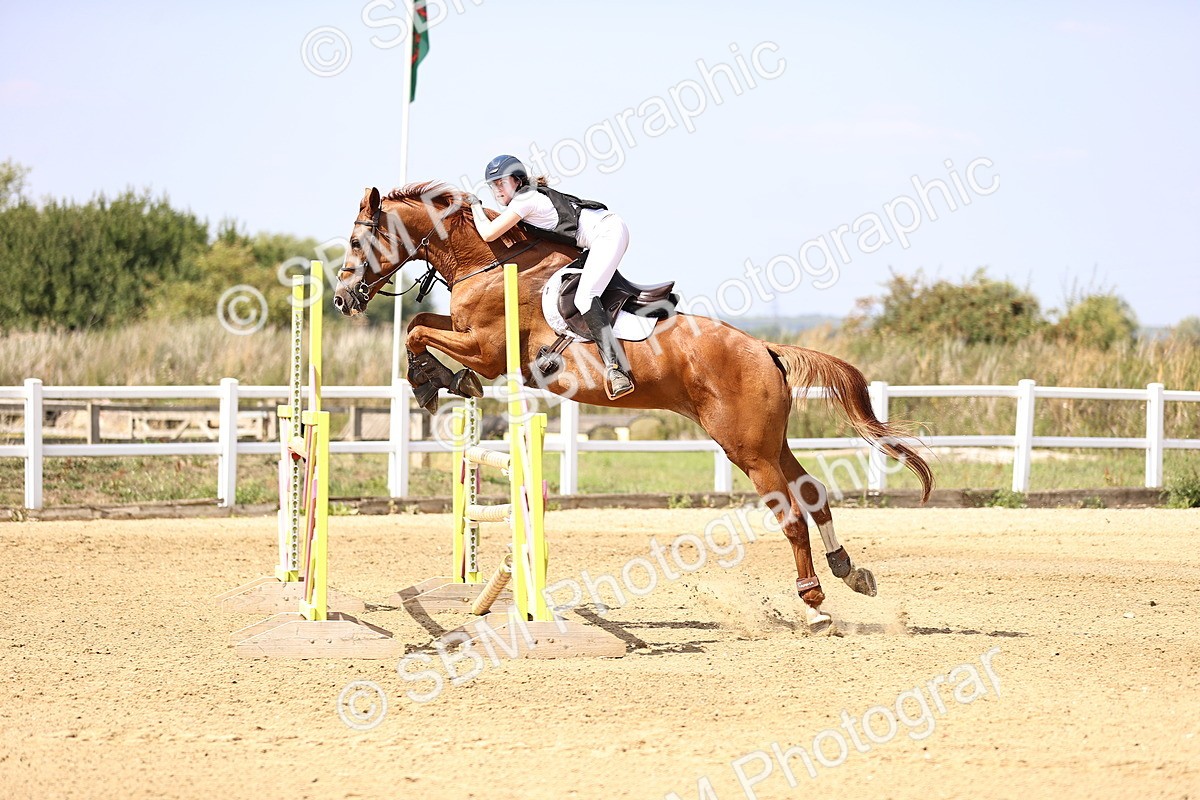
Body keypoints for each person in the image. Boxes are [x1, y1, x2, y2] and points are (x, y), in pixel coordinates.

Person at [467, 154, 635, 400]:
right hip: (597, 238)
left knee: (585, 297)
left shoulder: (525, 200)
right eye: (493, 185)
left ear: (517, 180)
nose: (497, 190)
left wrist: (474, 207)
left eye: (501, 183)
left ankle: (617, 369)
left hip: (607, 234)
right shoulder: (527, 199)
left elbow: (489, 233)